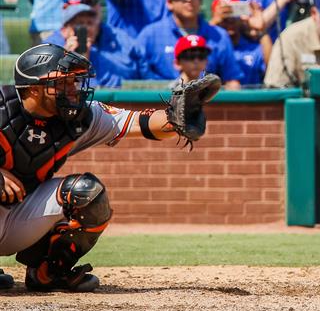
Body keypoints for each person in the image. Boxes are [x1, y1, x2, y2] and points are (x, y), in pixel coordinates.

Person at [0, 43, 218, 291]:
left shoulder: (79, 118)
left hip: (15, 219)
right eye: (63, 83)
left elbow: (139, 122)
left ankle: (48, 274)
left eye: (75, 82)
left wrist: (176, 119)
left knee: (85, 192)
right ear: (34, 89)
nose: (73, 90)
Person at [132, 0, 244, 89]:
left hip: (207, 102)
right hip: (160, 101)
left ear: (200, 1)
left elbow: (232, 80)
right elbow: (133, 79)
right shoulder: (150, 35)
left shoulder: (219, 35)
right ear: (169, 3)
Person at [43, 0, 136, 88]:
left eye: (93, 1)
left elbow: (146, 81)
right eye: (82, 2)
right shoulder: (51, 47)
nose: (89, 7)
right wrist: (65, 64)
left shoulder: (120, 39)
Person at [209, 0, 269, 86]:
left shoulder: (251, 48)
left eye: (233, 12)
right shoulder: (211, 47)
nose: (229, 19)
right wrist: (214, 22)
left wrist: (261, 31)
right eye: (224, 14)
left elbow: (271, 68)